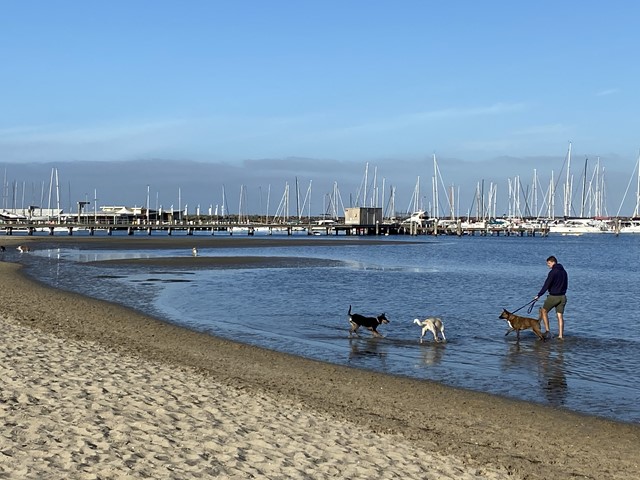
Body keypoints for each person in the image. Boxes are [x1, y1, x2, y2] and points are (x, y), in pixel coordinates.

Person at [534, 255, 568, 339]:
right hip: (563, 296)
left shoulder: (553, 272)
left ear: (553, 262)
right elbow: (566, 284)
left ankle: (547, 331)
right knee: (560, 316)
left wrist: (539, 295)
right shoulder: (564, 272)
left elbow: (546, 284)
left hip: (553, 296)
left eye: (549, 263)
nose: (548, 265)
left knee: (543, 311)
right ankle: (560, 335)